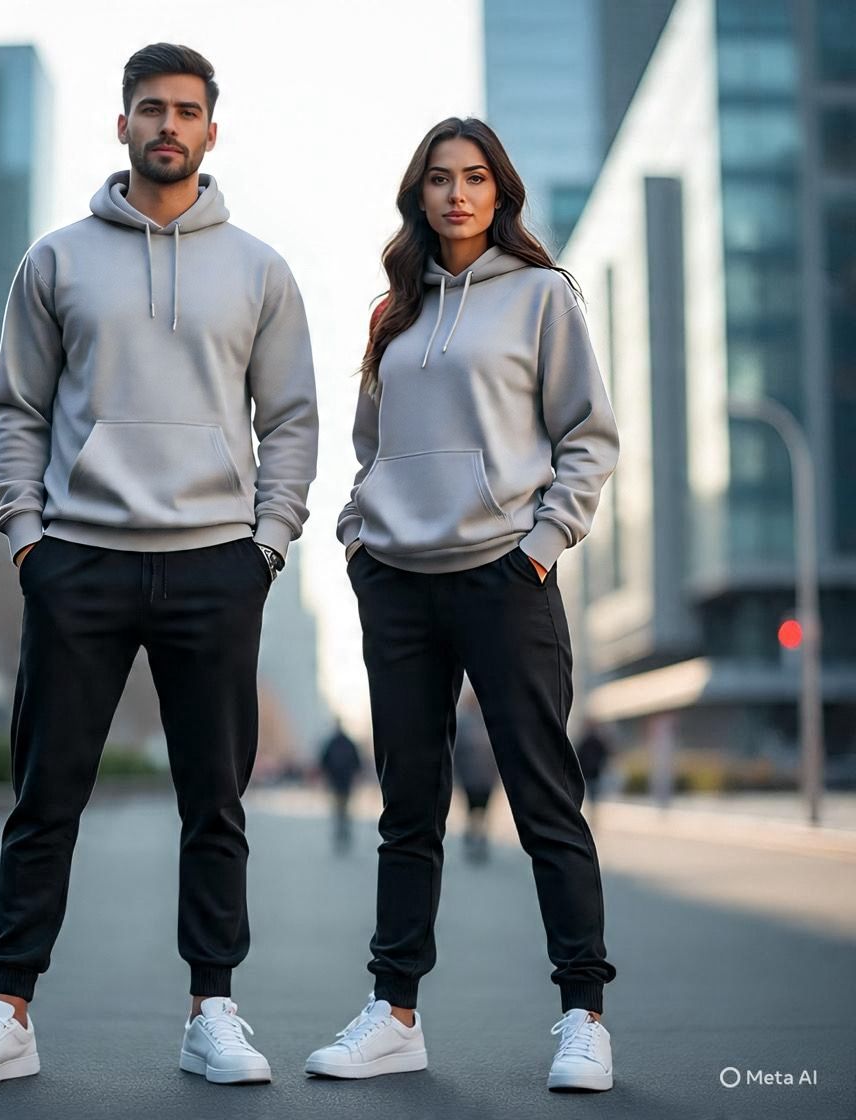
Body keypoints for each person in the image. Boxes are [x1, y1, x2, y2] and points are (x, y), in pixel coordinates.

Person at [0, 43, 318, 1089]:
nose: (168, 126)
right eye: (151, 108)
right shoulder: (56, 259)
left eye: (187, 111)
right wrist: (27, 540)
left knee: (214, 804)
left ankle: (214, 1011)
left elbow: (289, 421)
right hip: (81, 560)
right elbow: (16, 408)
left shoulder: (260, 269)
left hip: (213, 565)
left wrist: (266, 543)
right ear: (123, 124)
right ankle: (7, 1011)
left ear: (211, 130)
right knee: (45, 793)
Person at [305, 117, 619, 1091]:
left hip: (502, 578)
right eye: (439, 179)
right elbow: (372, 443)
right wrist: (360, 536)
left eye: (474, 178)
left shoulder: (541, 297)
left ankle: (583, 1017)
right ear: (419, 196)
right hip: (397, 582)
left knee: (543, 800)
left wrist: (539, 547)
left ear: (500, 192)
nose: (456, 195)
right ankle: (393, 1012)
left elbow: (589, 437)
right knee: (407, 808)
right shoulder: (390, 314)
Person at [453, 686, 498, 864]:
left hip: (486, 778)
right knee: (472, 812)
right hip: (469, 778)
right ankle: (472, 843)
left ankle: (482, 844)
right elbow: (456, 752)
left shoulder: (489, 719)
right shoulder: (463, 721)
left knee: (485, 813)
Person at [319, 721, 363, 853]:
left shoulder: (331, 742)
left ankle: (340, 833)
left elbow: (323, 761)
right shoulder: (349, 742)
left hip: (335, 782)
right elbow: (358, 762)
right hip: (346, 782)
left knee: (338, 809)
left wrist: (327, 775)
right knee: (345, 809)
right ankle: (345, 832)